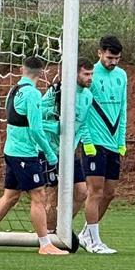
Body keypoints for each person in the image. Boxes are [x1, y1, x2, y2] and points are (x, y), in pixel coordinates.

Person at [0, 56, 67, 256]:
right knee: (38, 194)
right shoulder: (32, 94)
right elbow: (36, 130)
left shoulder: (13, 90)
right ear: (41, 73)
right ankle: (45, 244)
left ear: (22, 69)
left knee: (11, 196)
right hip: (25, 154)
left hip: (11, 151)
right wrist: (50, 154)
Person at [80, 35, 127, 254]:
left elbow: (123, 109)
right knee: (95, 192)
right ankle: (94, 241)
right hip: (94, 143)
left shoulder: (121, 76)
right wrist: (86, 141)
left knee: (110, 193)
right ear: (100, 53)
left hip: (112, 144)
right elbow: (82, 109)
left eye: (117, 58)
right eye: (109, 57)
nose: (113, 62)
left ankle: (85, 234)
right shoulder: (90, 75)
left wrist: (121, 141)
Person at [41, 58, 95, 245]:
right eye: (86, 74)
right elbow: (37, 116)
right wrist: (56, 127)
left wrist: (88, 144)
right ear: (75, 74)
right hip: (51, 150)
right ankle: (47, 237)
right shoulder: (56, 91)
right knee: (52, 195)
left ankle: (60, 228)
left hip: (69, 152)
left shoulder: (87, 96)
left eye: (91, 74)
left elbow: (83, 124)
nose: (90, 78)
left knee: (81, 192)